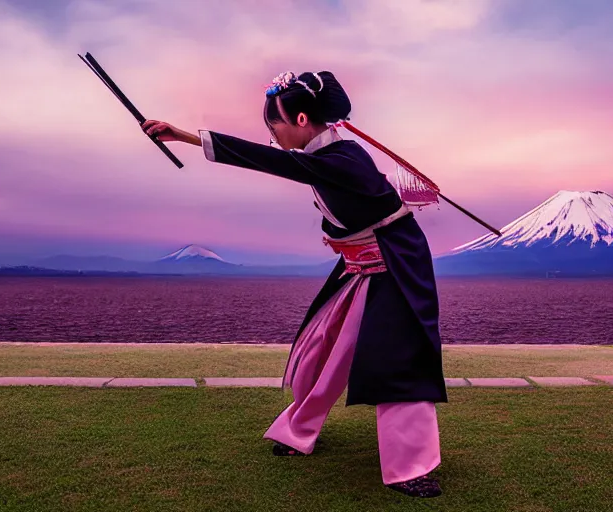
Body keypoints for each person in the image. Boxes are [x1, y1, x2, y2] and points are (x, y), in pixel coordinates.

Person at [142, 70, 447, 499]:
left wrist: (188, 137)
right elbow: (337, 202)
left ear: (302, 120)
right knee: (320, 350)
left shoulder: (345, 158)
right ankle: (298, 430)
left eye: (276, 127)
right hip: (359, 267)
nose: (273, 137)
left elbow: (280, 164)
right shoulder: (329, 157)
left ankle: (411, 466)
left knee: (399, 362)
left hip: (397, 268)